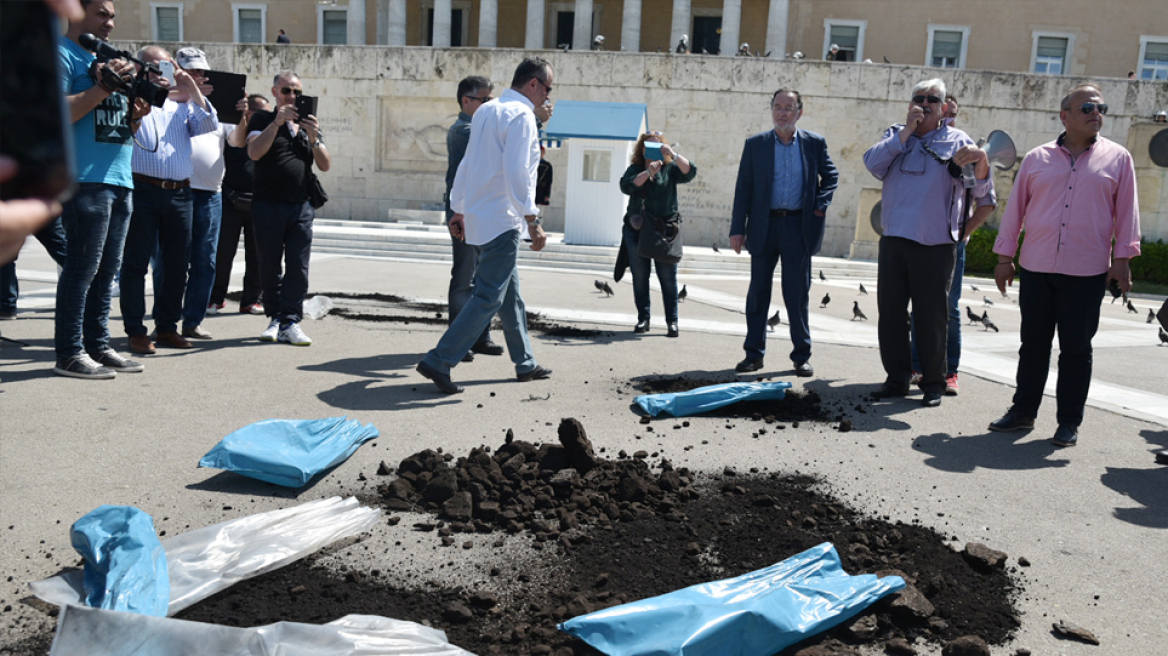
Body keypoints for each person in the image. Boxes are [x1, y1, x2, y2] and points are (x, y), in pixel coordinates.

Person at [989, 83, 1140, 448]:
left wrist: (1121, 261)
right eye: (1087, 106)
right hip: (1037, 268)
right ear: (1065, 116)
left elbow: (1127, 214)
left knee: (1076, 350)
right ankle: (1023, 411)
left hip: (1087, 272)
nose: (1096, 113)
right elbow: (1015, 211)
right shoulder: (1037, 159)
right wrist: (1004, 258)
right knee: (1034, 344)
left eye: (1100, 107)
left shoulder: (1118, 159)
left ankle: (1068, 422)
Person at [415, 57, 554, 394]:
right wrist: (532, 219)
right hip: (502, 218)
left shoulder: (488, 111)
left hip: (481, 215)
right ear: (533, 84)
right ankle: (440, 359)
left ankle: (525, 362)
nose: (548, 97)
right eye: (548, 89)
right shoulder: (521, 116)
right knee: (489, 296)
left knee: (510, 294)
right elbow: (517, 171)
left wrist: (458, 208)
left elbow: (467, 165)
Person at [862, 78, 990, 407]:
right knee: (890, 314)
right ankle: (897, 378)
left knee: (931, 316)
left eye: (933, 99)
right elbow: (872, 164)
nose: (925, 103)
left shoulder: (959, 140)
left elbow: (983, 194)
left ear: (944, 107)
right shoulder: (895, 135)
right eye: (918, 98)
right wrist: (906, 132)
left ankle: (933, 382)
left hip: (935, 245)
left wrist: (981, 159)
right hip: (894, 241)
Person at [53, 0, 152, 378]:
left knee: (106, 272)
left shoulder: (107, 60)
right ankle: (69, 352)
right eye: (102, 15)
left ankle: (98, 345)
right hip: (85, 178)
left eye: (113, 16)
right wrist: (102, 87)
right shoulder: (61, 54)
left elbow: (119, 128)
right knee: (81, 269)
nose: (110, 23)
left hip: (120, 177)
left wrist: (137, 114)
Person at [730, 89, 838, 376]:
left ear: (799, 112)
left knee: (797, 295)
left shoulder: (814, 144)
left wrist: (819, 205)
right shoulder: (756, 145)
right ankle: (753, 355)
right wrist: (737, 229)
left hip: (798, 227)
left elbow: (831, 176)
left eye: (789, 107)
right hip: (764, 226)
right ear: (771, 110)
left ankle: (801, 356)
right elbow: (744, 188)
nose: (782, 113)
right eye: (777, 107)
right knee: (758, 294)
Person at [120, 45, 219, 355]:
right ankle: (136, 331)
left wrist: (189, 87)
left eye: (164, 68)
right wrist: (140, 97)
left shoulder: (183, 105)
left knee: (177, 265)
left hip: (180, 192)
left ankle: (166, 327)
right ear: (140, 68)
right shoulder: (131, 97)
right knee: (136, 264)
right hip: (142, 189)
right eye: (152, 67)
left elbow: (209, 123)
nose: (159, 74)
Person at [151, 46, 248, 341]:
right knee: (168, 261)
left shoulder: (215, 107)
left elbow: (237, 141)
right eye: (192, 71)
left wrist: (242, 115)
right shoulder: (165, 103)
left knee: (205, 260)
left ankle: (193, 320)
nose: (199, 76)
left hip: (210, 193)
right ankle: (165, 322)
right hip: (177, 191)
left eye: (202, 71)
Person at [908, 95, 997, 395]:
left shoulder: (966, 149)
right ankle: (917, 367)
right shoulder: (919, 142)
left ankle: (950, 372)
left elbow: (987, 202)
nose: (947, 119)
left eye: (952, 114)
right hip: (919, 240)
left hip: (950, 244)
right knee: (918, 307)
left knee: (949, 309)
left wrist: (961, 235)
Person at [246, 71, 331, 346]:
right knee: (269, 265)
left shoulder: (308, 124)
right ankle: (275, 318)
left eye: (296, 92)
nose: (292, 97)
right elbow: (254, 152)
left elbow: (326, 164)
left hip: (301, 205)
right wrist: (277, 122)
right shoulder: (262, 118)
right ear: (274, 93)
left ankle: (291, 321)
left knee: (298, 266)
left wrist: (315, 138)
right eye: (286, 91)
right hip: (267, 204)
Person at [444, 75, 503, 361]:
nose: (491, 106)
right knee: (464, 277)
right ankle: (458, 341)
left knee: (483, 278)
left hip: (482, 210)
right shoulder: (463, 131)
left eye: (493, 100)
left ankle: (480, 337)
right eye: (486, 100)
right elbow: (495, 148)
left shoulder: (476, 128)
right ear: (466, 101)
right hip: (464, 213)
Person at [616, 132, 695, 337]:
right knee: (640, 276)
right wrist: (648, 173)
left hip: (664, 232)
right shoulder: (636, 169)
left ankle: (672, 322)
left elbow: (690, 172)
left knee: (668, 277)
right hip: (637, 230)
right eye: (647, 147)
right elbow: (626, 186)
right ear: (641, 150)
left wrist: (673, 155)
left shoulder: (670, 169)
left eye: (657, 146)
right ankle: (644, 318)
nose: (651, 150)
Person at [209, 93, 269, 315]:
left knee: (257, 254)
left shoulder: (268, 134)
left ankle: (251, 299)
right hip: (230, 199)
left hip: (259, 201)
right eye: (262, 113)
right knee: (223, 252)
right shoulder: (235, 132)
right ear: (249, 112)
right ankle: (215, 298)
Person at [1, 217, 66, 319]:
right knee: (66, 253)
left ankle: (6, 306)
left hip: (12, 208)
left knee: (4, 256)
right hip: (42, 206)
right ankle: (93, 299)